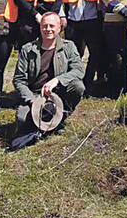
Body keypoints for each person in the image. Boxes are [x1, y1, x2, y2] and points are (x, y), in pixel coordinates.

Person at [11, 12, 85, 147]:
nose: (48, 29)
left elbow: (79, 70)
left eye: (52, 26)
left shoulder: (69, 46)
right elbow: (19, 80)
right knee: (22, 119)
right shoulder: (27, 49)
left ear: (59, 28)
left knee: (78, 86)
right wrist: (32, 100)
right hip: (35, 95)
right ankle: (46, 120)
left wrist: (57, 80)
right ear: (40, 28)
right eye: (44, 26)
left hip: (58, 92)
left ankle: (60, 118)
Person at [59, 0, 106, 95]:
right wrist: (61, 15)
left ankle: (88, 83)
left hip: (92, 18)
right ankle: (73, 84)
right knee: (74, 54)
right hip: (72, 19)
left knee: (96, 53)